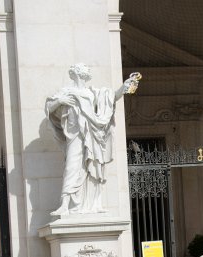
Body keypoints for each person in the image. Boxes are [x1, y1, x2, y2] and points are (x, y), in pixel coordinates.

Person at [45, 64, 141, 215]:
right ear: (76, 72)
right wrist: (60, 101)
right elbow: (49, 107)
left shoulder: (92, 92)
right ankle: (65, 204)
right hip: (75, 135)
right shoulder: (66, 92)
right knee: (72, 166)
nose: (88, 69)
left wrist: (123, 88)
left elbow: (111, 98)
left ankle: (95, 204)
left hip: (92, 134)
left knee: (95, 166)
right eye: (85, 67)